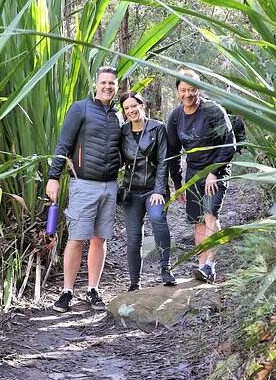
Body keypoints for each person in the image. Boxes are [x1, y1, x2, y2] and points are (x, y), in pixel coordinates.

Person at [46, 66, 122, 312]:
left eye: (112, 83)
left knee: (99, 239)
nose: (107, 87)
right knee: (77, 238)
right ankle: (67, 291)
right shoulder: (81, 109)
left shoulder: (119, 116)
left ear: (116, 86)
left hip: (109, 186)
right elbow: (63, 144)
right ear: (96, 85)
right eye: (104, 83)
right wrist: (53, 177)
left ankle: (93, 290)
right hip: (83, 184)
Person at [167, 69, 236, 283]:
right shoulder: (176, 116)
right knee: (198, 222)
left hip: (215, 172)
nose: (188, 94)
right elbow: (172, 152)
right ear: (178, 90)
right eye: (184, 90)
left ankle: (210, 265)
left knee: (209, 216)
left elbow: (230, 143)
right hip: (194, 174)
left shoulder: (212, 110)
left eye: (192, 89)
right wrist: (178, 183)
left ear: (198, 89)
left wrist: (214, 172)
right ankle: (201, 267)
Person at [119, 91, 177, 291]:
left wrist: (159, 191)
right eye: (126, 108)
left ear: (142, 106)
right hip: (131, 191)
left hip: (154, 189)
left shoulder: (157, 127)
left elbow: (163, 161)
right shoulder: (123, 132)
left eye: (134, 106)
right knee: (134, 236)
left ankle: (165, 270)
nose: (131, 111)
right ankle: (135, 282)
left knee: (158, 220)